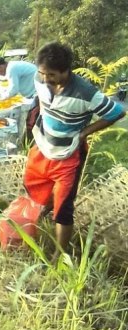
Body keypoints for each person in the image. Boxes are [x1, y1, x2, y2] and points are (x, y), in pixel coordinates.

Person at [23, 42, 125, 260]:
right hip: (42, 146)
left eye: (51, 74)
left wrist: (85, 132)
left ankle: (59, 256)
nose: (45, 78)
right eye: (42, 73)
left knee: (63, 207)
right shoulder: (39, 79)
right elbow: (42, 100)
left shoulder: (86, 92)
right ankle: (34, 228)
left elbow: (117, 112)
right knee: (33, 189)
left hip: (68, 156)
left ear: (65, 70)